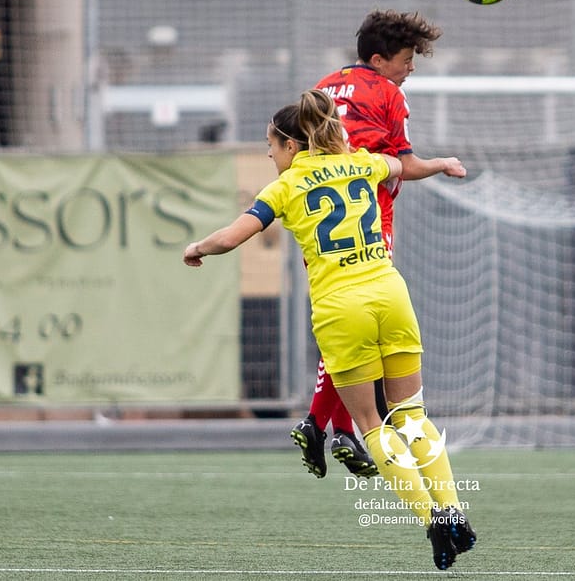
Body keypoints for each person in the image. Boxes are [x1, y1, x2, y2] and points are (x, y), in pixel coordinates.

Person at [183, 90, 475, 569]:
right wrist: (442, 161)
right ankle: (454, 511)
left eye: (271, 146)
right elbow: (403, 166)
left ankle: (432, 522)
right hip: (390, 292)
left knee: (371, 425)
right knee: (413, 416)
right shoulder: (361, 162)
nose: (269, 154)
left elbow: (232, 236)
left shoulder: (283, 188)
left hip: (342, 309)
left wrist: (197, 246)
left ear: (292, 146)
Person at [290, 9, 467, 479]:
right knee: (367, 318)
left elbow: (292, 142)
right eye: (407, 59)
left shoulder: (322, 85)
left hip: (316, 212)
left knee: (342, 320)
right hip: (366, 211)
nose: (410, 69)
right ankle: (321, 422)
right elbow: (403, 164)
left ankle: (335, 426)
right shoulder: (388, 94)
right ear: (378, 59)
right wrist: (441, 163)